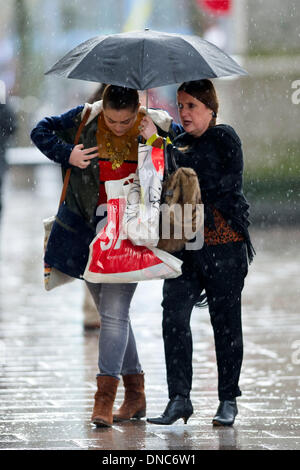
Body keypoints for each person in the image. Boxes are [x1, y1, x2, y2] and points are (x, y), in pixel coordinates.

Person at [30, 84, 181, 427]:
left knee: (113, 315)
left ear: (136, 111)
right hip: (88, 235)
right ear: (104, 108)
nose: (117, 126)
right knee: (114, 315)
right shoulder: (86, 117)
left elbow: (184, 156)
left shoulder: (155, 121)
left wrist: (156, 139)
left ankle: (104, 401)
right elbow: (39, 130)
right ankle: (136, 395)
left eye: (125, 120)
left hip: (131, 234)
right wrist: (67, 153)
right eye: (112, 120)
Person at [139, 79, 255, 427]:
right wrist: (154, 144)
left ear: (210, 108)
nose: (184, 113)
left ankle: (228, 399)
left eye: (192, 106)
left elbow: (204, 176)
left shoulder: (224, 138)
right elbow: (163, 182)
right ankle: (179, 399)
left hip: (224, 246)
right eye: (181, 105)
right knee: (173, 316)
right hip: (186, 248)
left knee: (226, 322)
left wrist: (163, 147)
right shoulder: (180, 144)